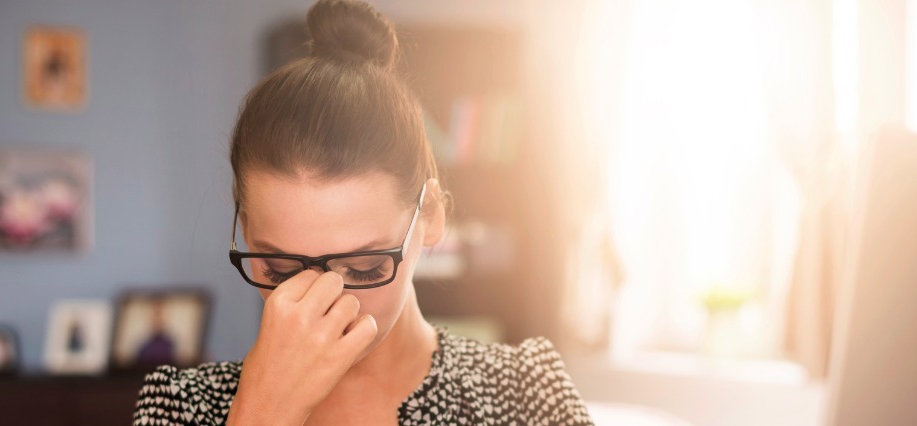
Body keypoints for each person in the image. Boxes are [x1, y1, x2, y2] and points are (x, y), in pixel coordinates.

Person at [133, 0, 594, 424]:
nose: (325, 302)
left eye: (363, 266)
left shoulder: (525, 393)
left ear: (430, 215)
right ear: (246, 229)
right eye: (280, 268)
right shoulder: (179, 405)